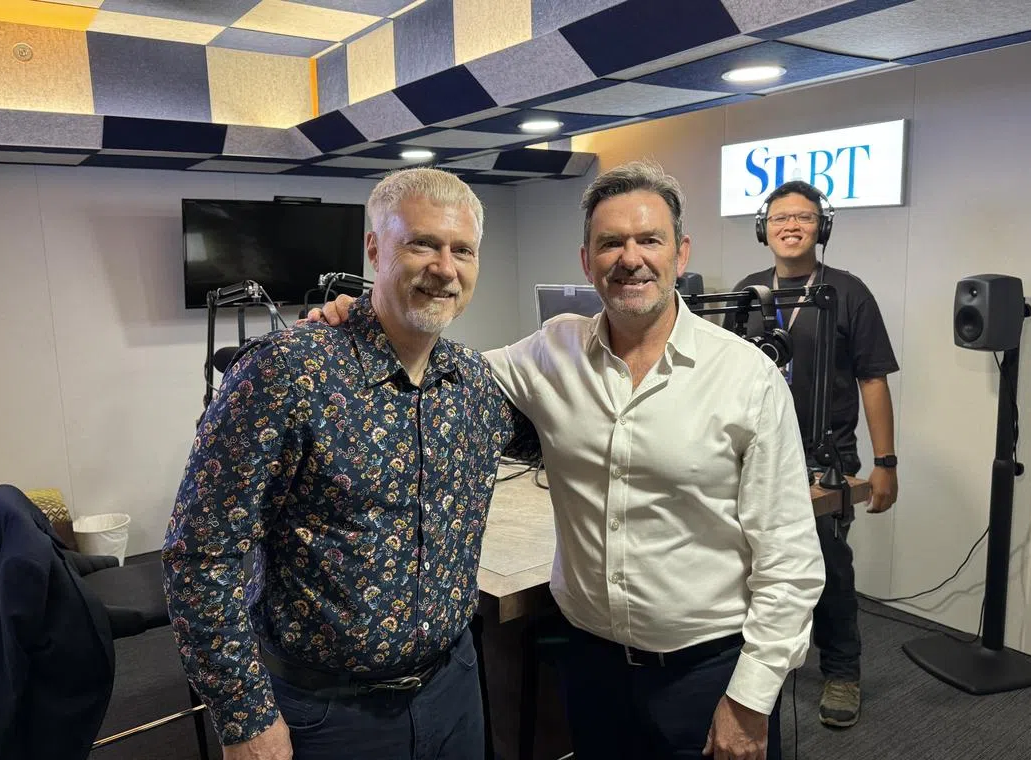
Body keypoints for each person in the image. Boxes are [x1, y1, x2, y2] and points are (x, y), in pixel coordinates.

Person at [314, 160, 825, 760]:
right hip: (589, 665)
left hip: (707, 671)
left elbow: (790, 559)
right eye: (610, 243)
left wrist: (751, 698)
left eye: (649, 240)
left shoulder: (747, 377)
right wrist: (361, 321)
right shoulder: (552, 349)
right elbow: (446, 371)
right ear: (587, 260)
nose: (630, 258)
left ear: (680, 254)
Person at [163, 167, 539, 760]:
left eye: (461, 249)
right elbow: (201, 554)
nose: (445, 267)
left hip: (454, 691)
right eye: (422, 243)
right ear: (373, 248)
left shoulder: (474, 384)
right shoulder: (286, 373)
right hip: (327, 714)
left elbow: (575, 435)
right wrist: (245, 717)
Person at [723, 180, 900, 728]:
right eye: (779, 218)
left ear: (821, 227)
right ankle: (755, 670)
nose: (790, 226)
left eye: (802, 217)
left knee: (826, 566)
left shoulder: (848, 292)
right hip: (754, 456)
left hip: (824, 457)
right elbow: (724, 374)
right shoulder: (748, 290)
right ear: (764, 228)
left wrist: (885, 463)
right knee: (750, 564)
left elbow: (873, 379)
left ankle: (842, 672)